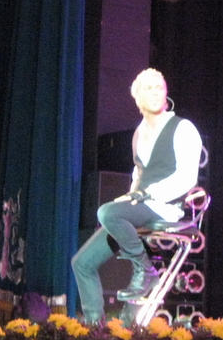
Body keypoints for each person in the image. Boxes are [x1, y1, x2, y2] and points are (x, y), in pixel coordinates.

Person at [72, 69, 203, 324]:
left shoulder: (183, 128)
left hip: (164, 206)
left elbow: (187, 178)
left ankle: (145, 269)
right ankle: (96, 328)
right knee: (82, 263)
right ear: (137, 97)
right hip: (141, 203)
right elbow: (139, 173)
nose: (155, 92)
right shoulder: (139, 132)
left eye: (159, 87)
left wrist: (145, 194)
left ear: (166, 94)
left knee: (106, 212)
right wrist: (132, 195)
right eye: (148, 88)